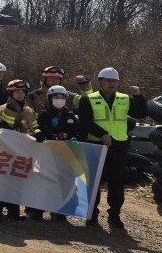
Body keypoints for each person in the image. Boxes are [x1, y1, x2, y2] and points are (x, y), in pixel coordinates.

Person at [77, 67, 147, 230]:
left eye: (114, 81)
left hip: (119, 145)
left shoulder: (125, 98)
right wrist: (102, 134)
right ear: (100, 82)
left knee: (116, 181)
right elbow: (85, 122)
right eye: (108, 81)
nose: (112, 84)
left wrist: (138, 96)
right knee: (94, 181)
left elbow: (142, 112)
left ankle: (114, 215)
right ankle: (92, 215)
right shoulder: (88, 99)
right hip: (96, 144)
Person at [31, 84, 86, 221]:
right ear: (50, 99)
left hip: (65, 155)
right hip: (47, 154)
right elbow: (37, 130)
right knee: (44, 181)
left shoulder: (71, 116)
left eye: (62, 97)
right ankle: (38, 210)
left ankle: (60, 210)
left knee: (64, 183)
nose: (59, 99)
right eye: (56, 97)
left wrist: (76, 138)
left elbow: (78, 132)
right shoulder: (43, 115)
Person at [0, 79, 36, 222]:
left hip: (22, 152)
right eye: (17, 92)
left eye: (23, 92)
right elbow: (5, 128)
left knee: (16, 182)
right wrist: (11, 111)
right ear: (11, 93)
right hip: (4, 152)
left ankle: (13, 211)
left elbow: (34, 127)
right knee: (0, 181)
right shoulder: (2, 109)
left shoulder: (29, 111)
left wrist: (39, 133)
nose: (20, 94)